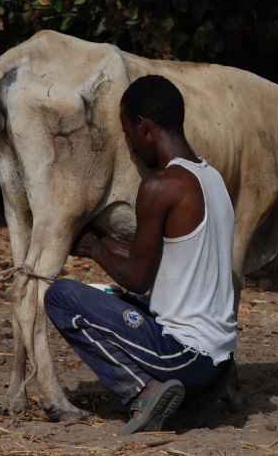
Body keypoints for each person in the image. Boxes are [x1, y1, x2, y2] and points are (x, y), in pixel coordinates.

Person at [44, 75, 237, 435]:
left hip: (184, 355)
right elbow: (152, 259)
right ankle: (192, 399)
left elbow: (137, 275)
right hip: (219, 361)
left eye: (127, 132)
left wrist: (92, 247)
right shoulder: (213, 180)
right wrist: (101, 246)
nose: (130, 147)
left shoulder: (160, 185)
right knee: (114, 298)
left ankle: (143, 392)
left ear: (143, 127)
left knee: (61, 297)